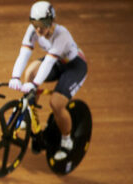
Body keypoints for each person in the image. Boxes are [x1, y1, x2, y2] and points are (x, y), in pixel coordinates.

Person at [8, 1, 88, 161]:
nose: (38, 29)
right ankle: (29, 114)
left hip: (74, 66)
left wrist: (34, 85)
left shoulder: (62, 34)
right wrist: (15, 76)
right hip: (58, 62)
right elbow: (24, 54)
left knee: (56, 104)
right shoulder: (32, 30)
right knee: (30, 72)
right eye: (35, 24)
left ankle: (67, 141)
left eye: (43, 24)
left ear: (52, 21)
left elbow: (49, 62)